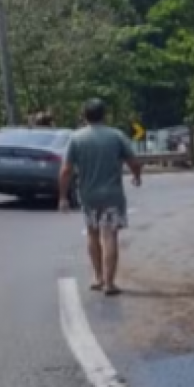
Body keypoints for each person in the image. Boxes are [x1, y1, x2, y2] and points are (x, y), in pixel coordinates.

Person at [59, 99, 143, 296]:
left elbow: (66, 170)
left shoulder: (76, 138)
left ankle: (97, 277)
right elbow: (134, 161)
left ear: (84, 116)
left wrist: (62, 196)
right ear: (104, 115)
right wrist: (137, 177)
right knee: (110, 235)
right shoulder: (116, 136)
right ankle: (109, 283)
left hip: (88, 195)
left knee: (92, 233)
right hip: (112, 195)